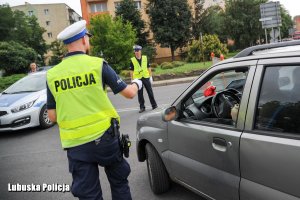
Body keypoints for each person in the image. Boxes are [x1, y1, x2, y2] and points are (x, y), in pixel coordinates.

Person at [46, 20, 142, 200]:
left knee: (89, 194)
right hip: (105, 139)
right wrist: (137, 83)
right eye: (87, 38)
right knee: (119, 183)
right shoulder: (97, 65)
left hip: (76, 145)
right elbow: (129, 94)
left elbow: (52, 116)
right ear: (83, 39)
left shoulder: (52, 75)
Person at [129, 45, 157, 113]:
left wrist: (150, 76)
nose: (136, 52)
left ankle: (154, 105)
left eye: (138, 51)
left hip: (146, 77)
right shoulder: (132, 60)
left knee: (150, 92)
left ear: (140, 51)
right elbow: (131, 71)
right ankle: (142, 107)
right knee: (140, 94)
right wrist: (132, 79)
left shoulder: (145, 58)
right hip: (138, 79)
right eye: (135, 51)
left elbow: (149, 68)